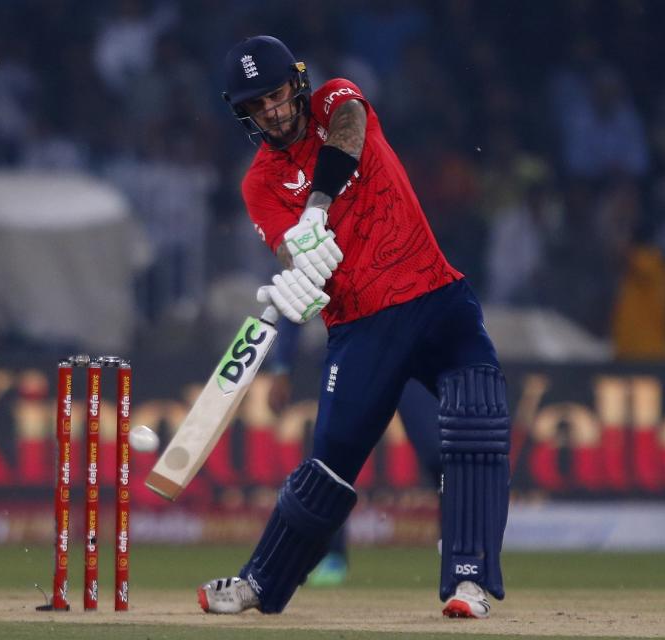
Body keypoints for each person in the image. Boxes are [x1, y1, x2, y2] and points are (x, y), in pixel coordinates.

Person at [198, 35, 510, 619]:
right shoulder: (258, 185)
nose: (270, 110)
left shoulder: (337, 100)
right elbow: (293, 255)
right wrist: (296, 268)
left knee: (478, 424)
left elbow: (348, 134)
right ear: (242, 113)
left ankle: (469, 582)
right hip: (361, 327)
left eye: (275, 94)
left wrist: (315, 208)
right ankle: (260, 583)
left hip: (436, 296)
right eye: (255, 105)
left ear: (296, 82)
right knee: (329, 468)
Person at [266, 317, 443, 587]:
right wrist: (281, 368)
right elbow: (294, 304)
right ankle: (331, 555)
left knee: (440, 455)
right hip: (353, 359)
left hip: (409, 357)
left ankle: (458, 552)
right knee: (332, 461)